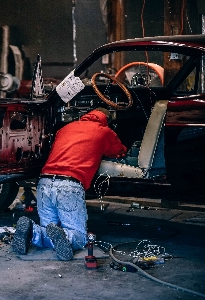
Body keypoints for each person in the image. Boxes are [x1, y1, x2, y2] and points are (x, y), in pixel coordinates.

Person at [11, 108, 127, 260]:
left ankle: (32, 232)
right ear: (106, 120)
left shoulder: (65, 128)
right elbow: (120, 151)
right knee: (80, 236)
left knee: (48, 230)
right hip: (69, 185)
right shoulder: (105, 131)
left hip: (44, 182)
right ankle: (66, 235)